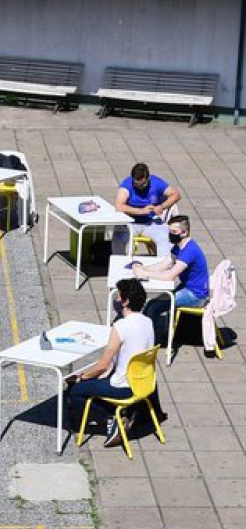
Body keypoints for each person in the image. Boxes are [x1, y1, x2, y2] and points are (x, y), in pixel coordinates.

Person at [66, 279, 155, 448]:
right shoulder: (147, 322)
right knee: (96, 382)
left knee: (75, 391)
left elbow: (102, 366)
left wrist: (81, 378)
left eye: (119, 295)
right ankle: (125, 414)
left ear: (126, 301)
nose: (116, 300)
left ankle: (112, 418)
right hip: (143, 383)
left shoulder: (121, 326)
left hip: (123, 387)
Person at [132, 214, 210, 345]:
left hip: (196, 294)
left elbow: (170, 275)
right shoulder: (179, 245)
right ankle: (147, 335)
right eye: (169, 231)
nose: (170, 235)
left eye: (174, 232)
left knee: (154, 307)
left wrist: (144, 273)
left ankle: (149, 341)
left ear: (184, 232)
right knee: (151, 304)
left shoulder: (189, 251)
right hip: (188, 287)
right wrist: (144, 268)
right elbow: (165, 264)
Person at [112, 162, 181, 257]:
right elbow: (119, 206)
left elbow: (176, 194)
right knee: (118, 237)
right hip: (131, 222)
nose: (140, 187)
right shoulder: (126, 185)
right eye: (137, 184)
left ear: (148, 179)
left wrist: (162, 206)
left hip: (150, 222)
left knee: (164, 237)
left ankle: (163, 265)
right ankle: (118, 262)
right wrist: (141, 211)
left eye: (143, 184)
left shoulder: (156, 183)